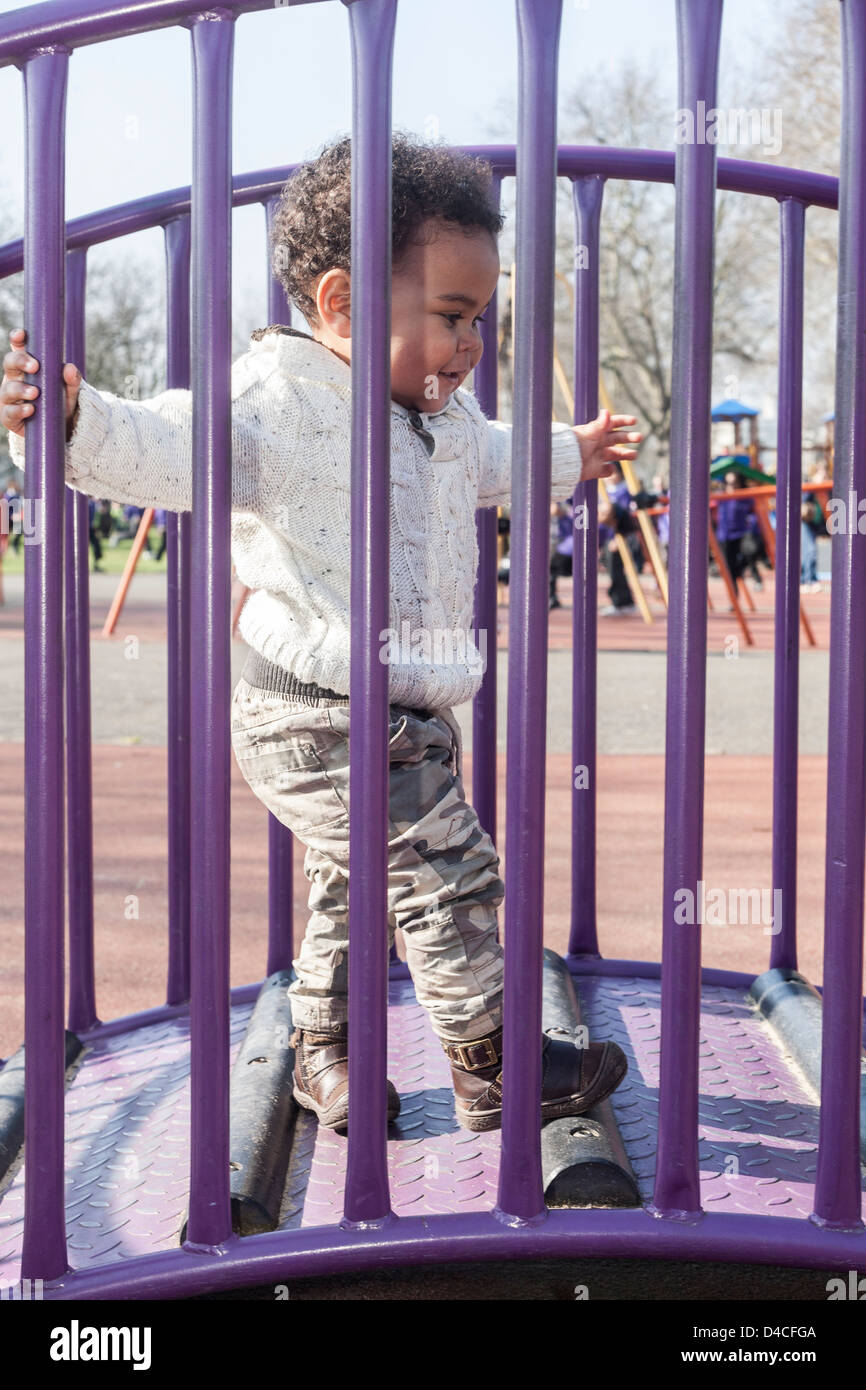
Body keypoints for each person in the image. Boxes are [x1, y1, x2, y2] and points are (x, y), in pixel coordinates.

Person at [1, 133, 640, 1135]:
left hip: (400, 705)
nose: (472, 344)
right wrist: (77, 420)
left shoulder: (441, 412)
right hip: (309, 707)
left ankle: (322, 1050)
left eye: (480, 317)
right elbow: (176, 445)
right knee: (444, 868)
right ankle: (491, 1064)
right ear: (340, 306)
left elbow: (496, 460)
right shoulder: (279, 403)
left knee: (354, 887)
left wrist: (574, 451)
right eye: (450, 316)